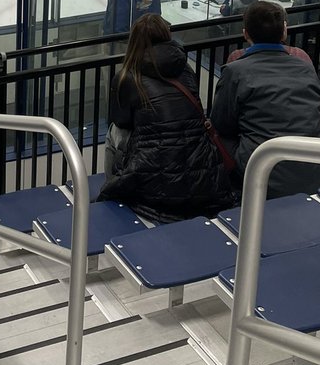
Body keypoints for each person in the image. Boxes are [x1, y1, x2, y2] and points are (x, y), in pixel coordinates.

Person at [98, 15, 233, 221]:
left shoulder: (127, 77)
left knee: (114, 132)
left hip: (154, 176)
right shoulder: (185, 68)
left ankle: (111, 185)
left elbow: (122, 120)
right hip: (201, 170)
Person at [210, 1, 320, 198]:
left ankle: (226, 192)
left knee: (215, 134)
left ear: (245, 34)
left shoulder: (235, 71)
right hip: (317, 168)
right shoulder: (305, 66)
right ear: (284, 32)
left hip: (264, 172)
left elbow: (221, 123)